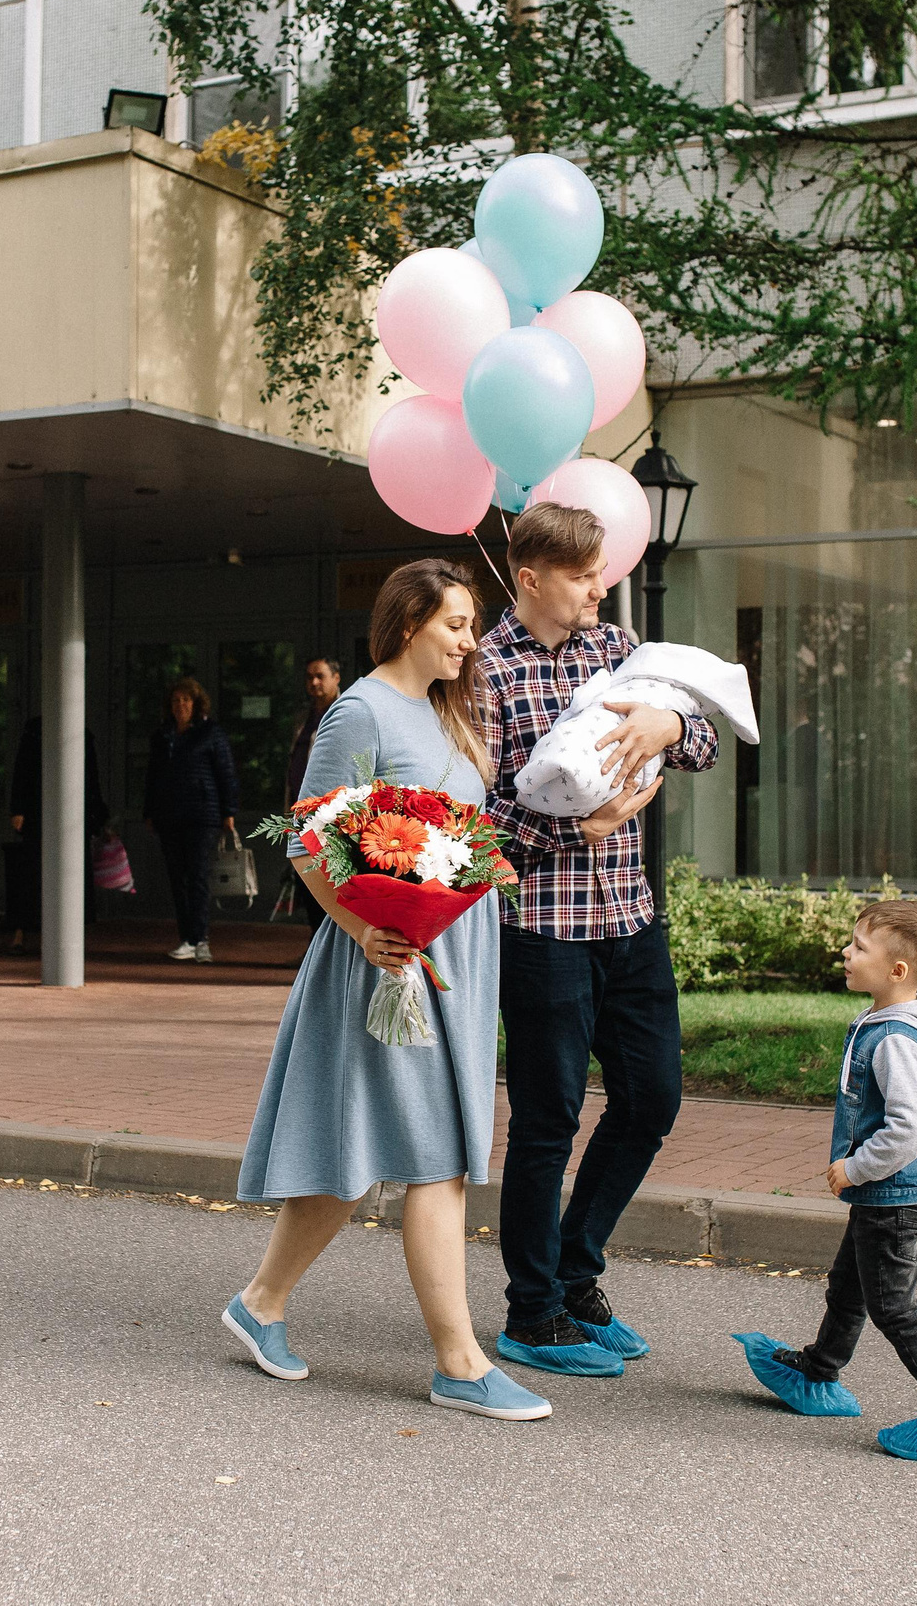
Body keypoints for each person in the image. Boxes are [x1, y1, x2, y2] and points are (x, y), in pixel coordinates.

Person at [223, 560, 549, 1421]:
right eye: (456, 624)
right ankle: (460, 1361)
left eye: (472, 625)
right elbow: (304, 841)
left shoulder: (453, 711)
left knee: (367, 1151)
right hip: (386, 962)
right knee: (435, 1154)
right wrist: (367, 929)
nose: (469, 641)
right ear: (408, 623)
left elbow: (466, 833)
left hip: (458, 959)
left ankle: (259, 1302)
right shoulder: (359, 711)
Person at [476, 501, 719, 1378]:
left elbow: (703, 742)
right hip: (541, 930)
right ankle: (531, 1311)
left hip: (630, 917)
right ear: (531, 578)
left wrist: (670, 727)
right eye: (582, 576)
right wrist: (576, 829)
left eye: (602, 571)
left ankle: (576, 1273)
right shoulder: (485, 673)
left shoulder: (619, 651)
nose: (599, 587)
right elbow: (478, 824)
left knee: (652, 1099)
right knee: (548, 1122)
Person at [734, 899, 917, 1463]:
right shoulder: (894, 1019)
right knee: (850, 1285)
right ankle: (818, 1371)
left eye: (859, 947)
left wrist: (854, 1168)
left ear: (897, 971)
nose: (846, 953)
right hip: (887, 1194)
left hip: (892, 1193)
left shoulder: (898, 1040)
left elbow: (909, 1129)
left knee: (895, 1308)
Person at [144, 677, 236, 964]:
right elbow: (152, 777)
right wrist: (149, 812)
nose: (181, 705)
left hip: (202, 817)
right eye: (176, 700)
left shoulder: (211, 733)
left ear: (196, 704)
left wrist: (228, 812)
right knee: (177, 879)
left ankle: (200, 939)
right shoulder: (163, 736)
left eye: (186, 700)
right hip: (169, 818)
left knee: (197, 877)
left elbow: (226, 773)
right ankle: (187, 938)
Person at [6, 715, 109, 953]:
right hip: (37, 811)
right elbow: (22, 769)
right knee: (32, 872)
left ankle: (67, 938)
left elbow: (90, 778)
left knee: (72, 873)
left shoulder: (82, 734)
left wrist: (96, 817)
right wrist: (18, 808)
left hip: (72, 813)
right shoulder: (35, 731)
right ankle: (22, 932)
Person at [283, 657, 342, 932]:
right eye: (309, 677)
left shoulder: (345, 712)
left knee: (330, 882)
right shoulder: (303, 717)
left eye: (320, 676)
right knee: (306, 880)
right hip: (300, 812)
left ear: (336, 677)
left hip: (330, 814)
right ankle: (312, 949)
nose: (314, 683)